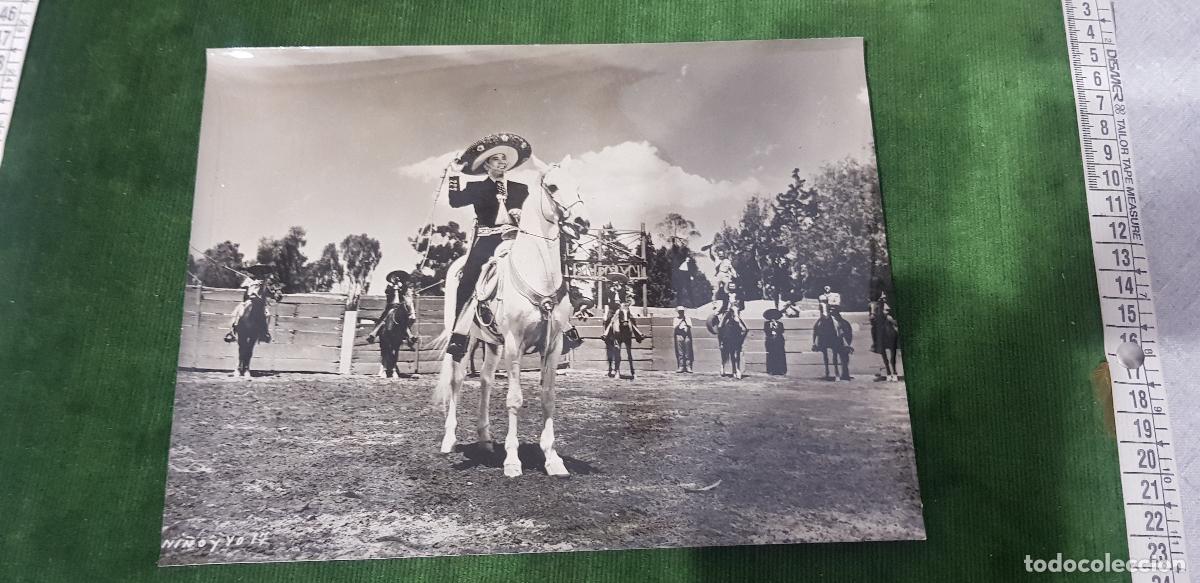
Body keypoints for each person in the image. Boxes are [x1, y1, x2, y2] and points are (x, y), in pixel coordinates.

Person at [443, 133, 582, 360]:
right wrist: (454, 174)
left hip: (517, 238)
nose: (502, 162)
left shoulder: (520, 188)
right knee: (468, 276)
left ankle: (564, 326)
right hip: (488, 240)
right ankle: (458, 335)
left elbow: (532, 212)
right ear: (486, 164)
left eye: (503, 159)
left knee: (549, 269)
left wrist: (519, 214)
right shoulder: (476, 187)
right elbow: (454, 201)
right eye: (496, 159)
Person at [366, 270, 416, 346]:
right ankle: (374, 333)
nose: (397, 279)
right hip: (391, 305)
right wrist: (395, 289)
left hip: (400, 306)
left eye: (398, 277)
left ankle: (410, 336)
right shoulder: (389, 287)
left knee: (403, 318)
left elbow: (406, 296)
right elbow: (388, 293)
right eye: (395, 277)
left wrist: (402, 289)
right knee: (386, 315)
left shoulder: (404, 287)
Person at [763, 308, 787, 375]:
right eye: (771, 317)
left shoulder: (780, 324)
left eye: (774, 317)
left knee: (780, 355)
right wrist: (771, 331)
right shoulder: (767, 324)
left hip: (779, 340)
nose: (773, 318)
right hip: (770, 341)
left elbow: (782, 331)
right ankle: (771, 370)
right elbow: (766, 331)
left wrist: (776, 327)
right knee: (771, 355)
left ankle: (781, 370)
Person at [673, 306, 694, 373]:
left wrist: (685, 321)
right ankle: (681, 366)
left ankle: (688, 367)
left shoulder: (687, 318)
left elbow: (690, 326)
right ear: (678, 312)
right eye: (680, 311)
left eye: (682, 311)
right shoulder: (676, 319)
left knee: (687, 352)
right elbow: (675, 327)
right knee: (680, 352)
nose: (681, 312)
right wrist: (681, 321)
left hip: (687, 335)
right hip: (679, 335)